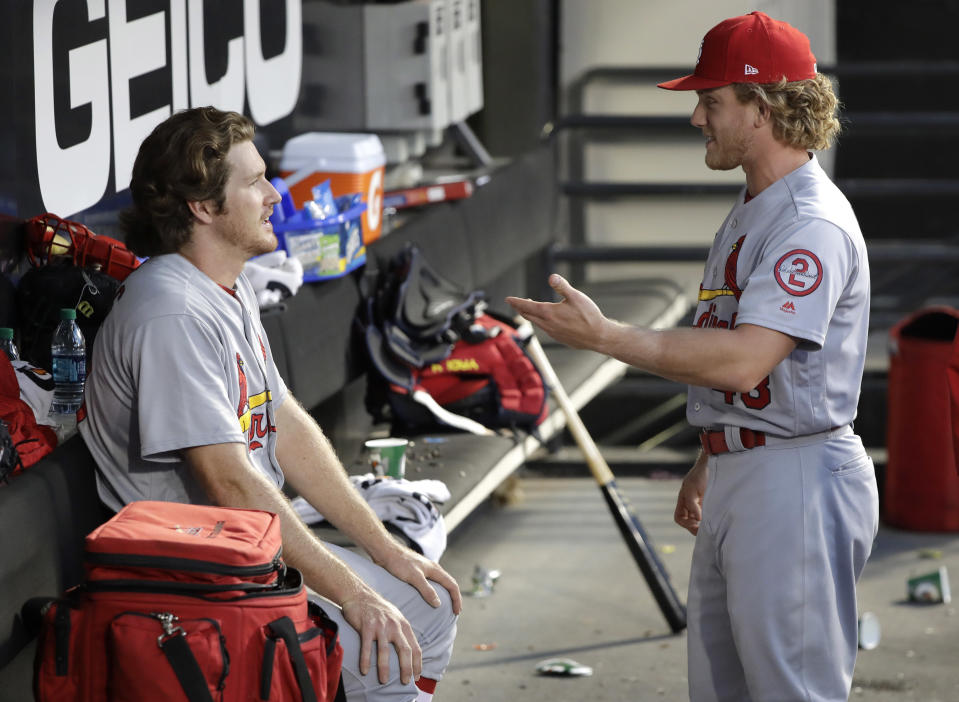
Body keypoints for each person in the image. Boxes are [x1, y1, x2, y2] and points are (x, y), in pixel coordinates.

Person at [508, 11, 878, 702]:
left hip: (794, 477)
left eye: (711, 101)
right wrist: (713, 454)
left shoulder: (808, 223)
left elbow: (744, 361)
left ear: (761, 107)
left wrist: (608, 338)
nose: (695, 118)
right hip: (755, 466)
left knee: (789, 692)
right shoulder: (757, 204)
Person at [78, 106, 460, 702]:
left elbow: (282, 422)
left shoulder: (226, 288)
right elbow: (229, 482)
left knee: (426, 606)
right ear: (203, 208)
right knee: (383, 647)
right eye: (254, 182)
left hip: (247, 552)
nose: (276, 195)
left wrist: (385, 551)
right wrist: (354, 594)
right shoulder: (169, 313)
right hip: (193, 579)